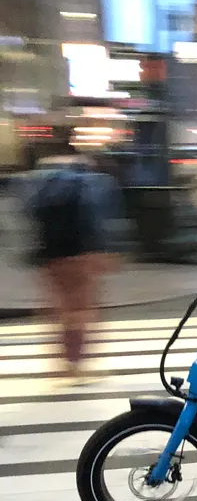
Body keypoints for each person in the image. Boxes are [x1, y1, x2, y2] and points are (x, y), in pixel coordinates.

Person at [21, 141, 127, 383]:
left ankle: (62, 362)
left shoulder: (41, 177)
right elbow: (104, 217)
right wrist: (109, 252)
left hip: (51, 255)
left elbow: (27, 212)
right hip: (84, 253)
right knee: (83, 309)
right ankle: (79, 362)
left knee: (61, 310)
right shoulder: (93, 179)